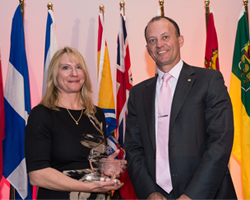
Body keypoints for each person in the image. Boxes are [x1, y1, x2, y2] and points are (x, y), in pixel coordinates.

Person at [124, 16, 237, 200]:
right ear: (148, 49)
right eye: (152, 40)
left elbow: (220, 142)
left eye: (165, 37)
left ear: (180, 40)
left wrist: (192, 195)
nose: (159, 44)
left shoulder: (209, 80)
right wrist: (149, 192)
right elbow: (133, 148)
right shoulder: (137, 93)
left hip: (206, 194)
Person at [25, 47, 125, 200]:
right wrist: (87, 187)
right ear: (54, 75)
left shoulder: (96, 114)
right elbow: (37, 175)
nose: (74, 73)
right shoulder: (42, 114)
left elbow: (88, 162)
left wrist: (105, 166)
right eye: (66, 68)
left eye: (79, 67)